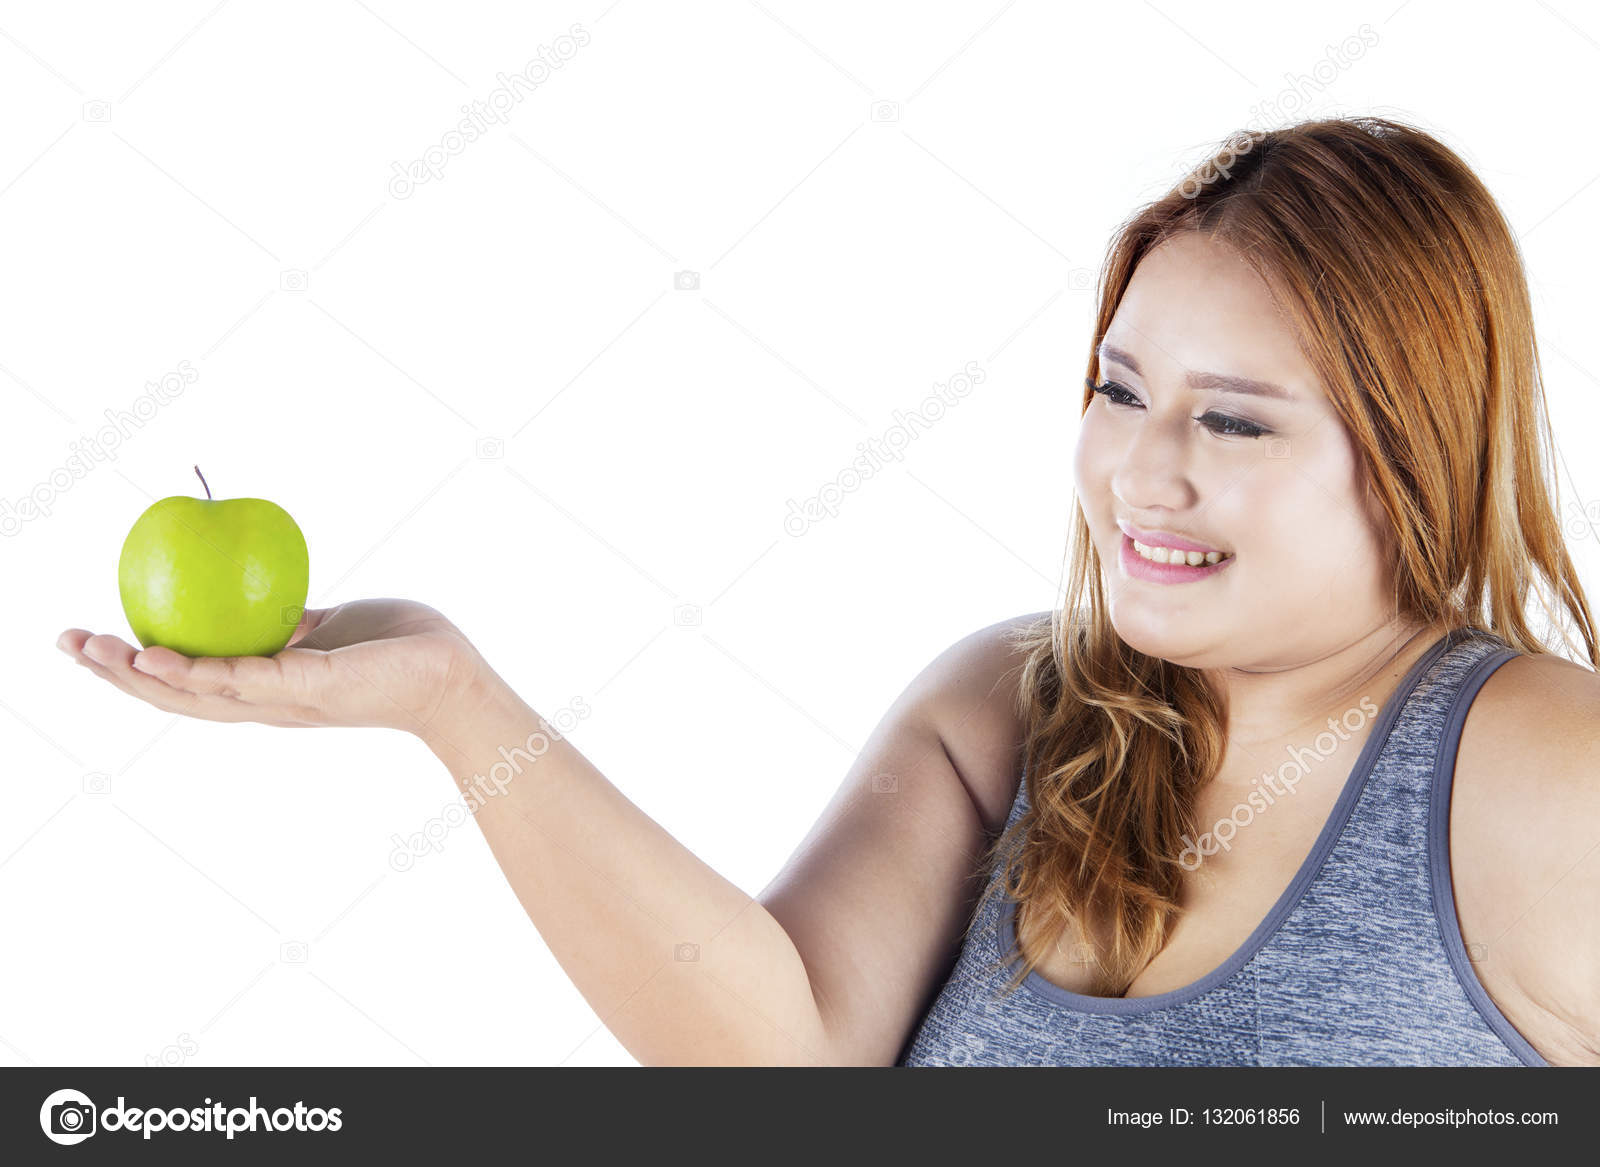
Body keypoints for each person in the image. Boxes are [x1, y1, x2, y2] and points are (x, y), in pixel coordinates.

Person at [59, 116, 1600, 1066]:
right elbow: (779, 1067)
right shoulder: (1009, 706)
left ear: (1416, 450)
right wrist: (454, 707)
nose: (1142, 473)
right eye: (1122, 392)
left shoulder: (1533, 770)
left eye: (1237, 418)